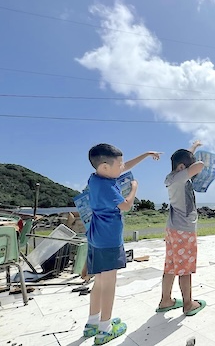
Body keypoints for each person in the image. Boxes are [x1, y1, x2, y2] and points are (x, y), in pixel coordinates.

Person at [84, 144, 160, 344]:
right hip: (109, 240)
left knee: (100, 281)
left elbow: (123, 167)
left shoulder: (96, 178)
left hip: (95, 237)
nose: (122, 167)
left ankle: (92, 323)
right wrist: (134, 188)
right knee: (109, 284)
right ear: (105, 167)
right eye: (119, 164)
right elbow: (126, 206)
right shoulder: (108, 186)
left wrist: (145, 153)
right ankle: (105, 329)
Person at [156, 140, 207, 316]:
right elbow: (199, 165)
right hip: (183, 230)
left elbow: (188, 165)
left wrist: (193, 148)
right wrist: (201, 160)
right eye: (187, 168)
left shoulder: (171, 177)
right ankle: (188, 304)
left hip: (173, 228)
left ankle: (166, 300)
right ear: (181, 167)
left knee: (170, 266)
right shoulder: (179, 178)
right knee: (185, 268)